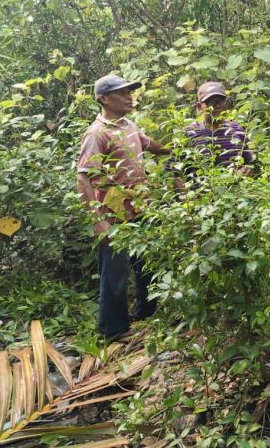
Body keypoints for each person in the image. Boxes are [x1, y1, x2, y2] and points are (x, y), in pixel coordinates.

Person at [76, 75, 171, 341]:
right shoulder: (98, 133)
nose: (129, 96)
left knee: (147, 266)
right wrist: (98, 220)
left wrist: (178, 148)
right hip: (114, 215)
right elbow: (83, 178)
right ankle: (113, 330)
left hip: (140, 209)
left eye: (130, 91)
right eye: (122, 93)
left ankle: (145, 314)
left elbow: (148, 144)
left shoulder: (128, 124)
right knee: (115, 274)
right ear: (104, 99)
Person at [171, 81, 256, 189]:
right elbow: (175, 174)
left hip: (235, 198)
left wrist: (245, 172)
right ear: (199, 106)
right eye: (210, 102)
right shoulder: (189, 133)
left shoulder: (237, 130)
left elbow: (250, 164)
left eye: (220, 101)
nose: (216, 106)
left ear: (226, 103)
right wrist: (187, 200)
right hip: (201, 200)